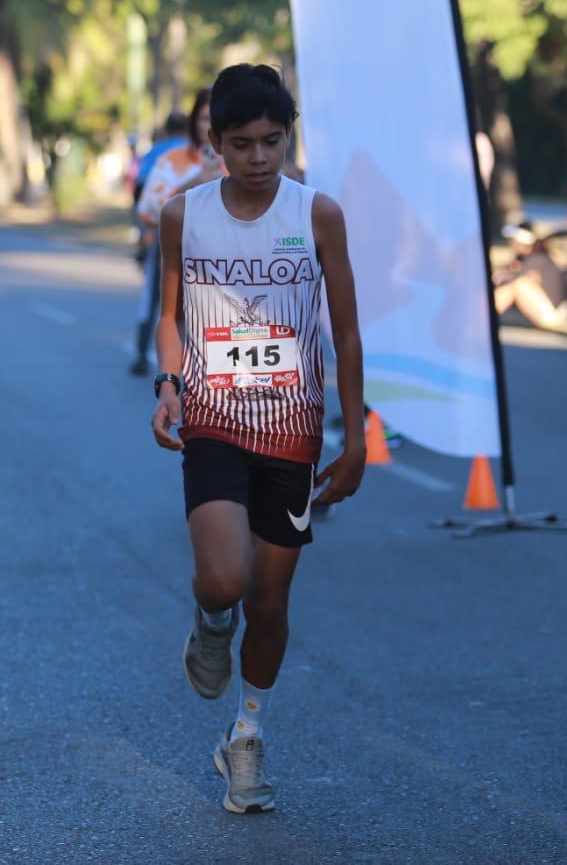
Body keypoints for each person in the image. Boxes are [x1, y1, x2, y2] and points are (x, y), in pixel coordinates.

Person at [149, 64, 365, 813]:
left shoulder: (319, 215)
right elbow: (170, 315)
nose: (259, 158)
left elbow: (344, 329)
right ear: (215, 144)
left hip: (293, 431)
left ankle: (244, 736)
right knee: (226, 581)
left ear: (288, 137)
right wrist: (169, 385)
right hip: (213, 420)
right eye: (241, 144)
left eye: (272, 141)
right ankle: (210, 624)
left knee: (270, 604)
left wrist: (357, 435)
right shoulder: (185, 215)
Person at [130, 92, 210, 376]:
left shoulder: (240, 159)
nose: (211, 124)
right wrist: (197, 183)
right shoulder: (172, 159)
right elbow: (150, 209)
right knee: (160, 302)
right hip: (174, 252)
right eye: (204, 118)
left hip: (226, 262)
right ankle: (150, 359)